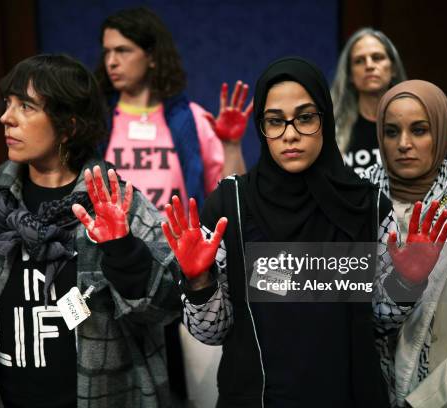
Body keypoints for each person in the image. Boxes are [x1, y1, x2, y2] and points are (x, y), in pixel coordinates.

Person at [0, 54, 178, 408]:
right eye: (8, 104)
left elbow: (163, 307)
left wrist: (122, 247)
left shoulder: (115, 203)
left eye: (26, 107)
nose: (5, 117)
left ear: (69, 125)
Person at [162, 56, 407, 407]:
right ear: (261, 127)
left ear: (326, 118)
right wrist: (199, 283)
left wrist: (407, 284)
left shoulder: (366, 206)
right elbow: (211, 332)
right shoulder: (229, 206)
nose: (290, 134)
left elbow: (383, 322)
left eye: (305, 118)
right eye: (275, 121)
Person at [365, 79, 447, 407]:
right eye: (391, 132)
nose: (404, 144)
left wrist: (423, 402)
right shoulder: (357, 206)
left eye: (419, 130)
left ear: (440, 133)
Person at [95, 7, 252, 213]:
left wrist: (231, 146)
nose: (111, 62)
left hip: (179, 243)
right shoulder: (96, 119)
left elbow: (232, 201)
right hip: (113, 244)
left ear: (151, 57)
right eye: (107, 52)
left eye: (123, 50)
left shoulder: (193, 118)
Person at [331, 27, 447, 180]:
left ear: (393, 68)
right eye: (359, 61)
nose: (369, 65)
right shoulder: (332, 129)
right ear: (350, 75)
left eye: (377, 57)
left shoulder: (418, 124)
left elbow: (441, 194)